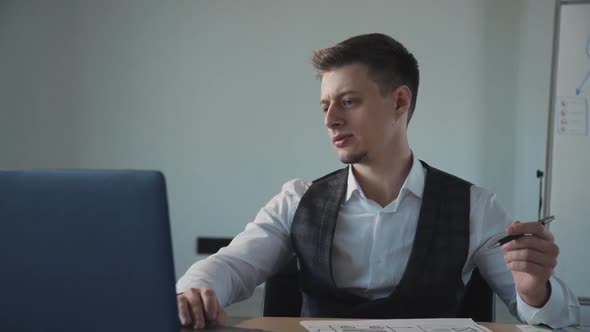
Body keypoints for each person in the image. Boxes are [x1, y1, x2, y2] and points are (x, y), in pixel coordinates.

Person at [176, 33, 580, 330]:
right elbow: (231, 265)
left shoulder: (475, 206)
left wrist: (534, 292)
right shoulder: (297, 200)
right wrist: (194, 289)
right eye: (325, 104)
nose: (330, 118)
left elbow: (561, 321)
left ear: (400, 102)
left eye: (348, 101)